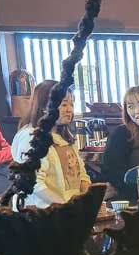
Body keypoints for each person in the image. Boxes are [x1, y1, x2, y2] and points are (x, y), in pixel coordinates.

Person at [11, 80, 90, 208]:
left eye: (72, 104)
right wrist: (64, 206)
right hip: (39, 213)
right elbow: (34, 182)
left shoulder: (65, 137)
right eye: (64, 104)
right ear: (45, 107)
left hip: (67, 211)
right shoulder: (31, 136)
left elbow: (82, 175)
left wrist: (84, 201)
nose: (69, 109)